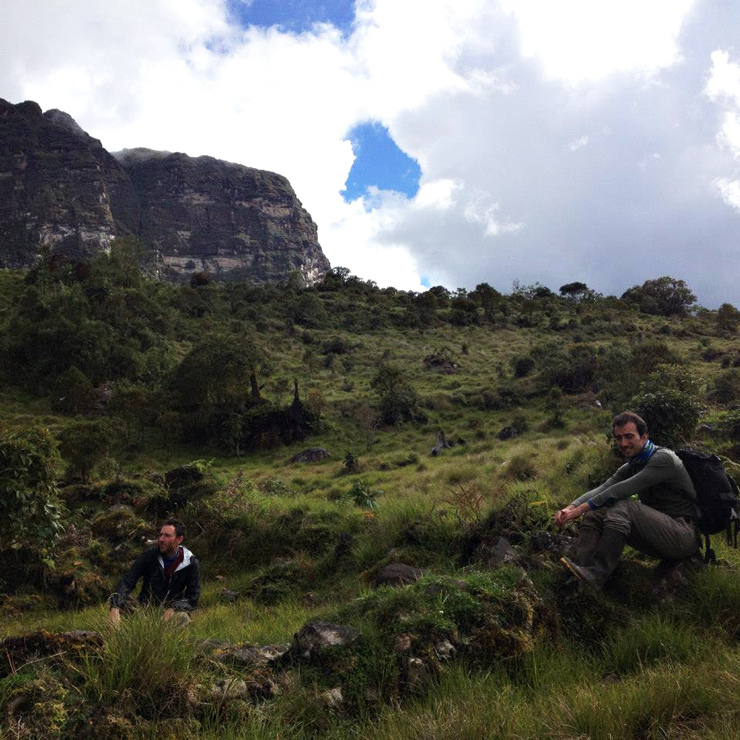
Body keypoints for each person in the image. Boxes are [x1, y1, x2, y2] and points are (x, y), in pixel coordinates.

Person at [555, 411, 700, 589]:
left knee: (623, 506)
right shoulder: (632, 465)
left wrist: (579, 510)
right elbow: (603, 488)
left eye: (629, 436)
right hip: (658, 534)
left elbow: (620, 490)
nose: (623, 443)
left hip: (682, 534)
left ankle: (597, 574)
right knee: (596, 512)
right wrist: (570, 508)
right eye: (618, 438)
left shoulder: (664, 459)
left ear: (644, 436)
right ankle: (580, 569)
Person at [109, 518, 200, 625]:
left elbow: (192, 598)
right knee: (123, 598)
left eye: (167, 536)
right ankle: (139, 627)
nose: (161, 539)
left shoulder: (191, 563)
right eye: (161, 535)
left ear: (179, 540)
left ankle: (161, 635)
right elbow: (127, 581)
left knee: (183, 617)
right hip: (144, 609)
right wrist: (115, 607)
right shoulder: (149, 555)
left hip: (170, 613)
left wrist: (174, 608)